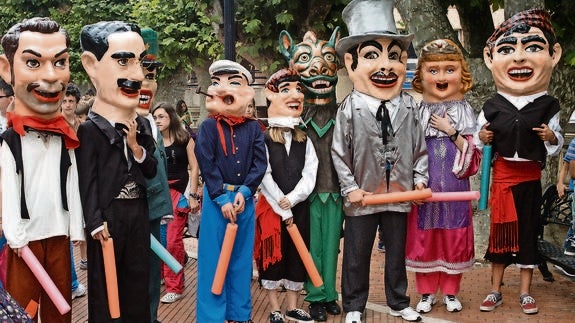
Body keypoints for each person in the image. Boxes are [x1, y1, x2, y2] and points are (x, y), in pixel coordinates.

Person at [331, 1, 428, 322]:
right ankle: (355, 307)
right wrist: (350, 189)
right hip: (362, 197)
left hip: (400, 195)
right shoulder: (348, 108)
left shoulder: (410, 108)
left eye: (395, 56)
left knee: (396, 255)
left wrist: (420, 178)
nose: (386, 66)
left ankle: (399, 302)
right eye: (372, 55)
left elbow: (419, 148)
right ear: (351, 62)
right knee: (356, 255)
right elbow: (339, 153)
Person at [477, 8, 563, 315]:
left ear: (553, 54)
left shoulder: (548, 104)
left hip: (529, 178)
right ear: (491, 58)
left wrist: (551, 137)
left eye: (532, 48)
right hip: (502, 177)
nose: (519, 58)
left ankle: (526, 293)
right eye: (507, 49)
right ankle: (494, 290)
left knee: (527, 234)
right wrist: (483, 139)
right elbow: (480, 137)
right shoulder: (492, 105)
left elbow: (557, 144)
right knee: (499, 236)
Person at [0, 17, 84, 322]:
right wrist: (16, 237)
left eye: (60, 62)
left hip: (59, 232)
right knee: (22, 307)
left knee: (59, 307)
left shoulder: (66, 137)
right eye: (33, 63)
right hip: (25, 240)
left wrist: (76, 227)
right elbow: (9, 187)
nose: (50, 76)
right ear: (7, 69)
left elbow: (71, 181)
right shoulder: (9, 141)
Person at [77, 21, 157, 322]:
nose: (138, 74)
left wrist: (136, 146)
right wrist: (95, 222)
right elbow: (87, 182)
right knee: (105, 287)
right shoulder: (89, 129)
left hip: (138, 212)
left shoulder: (143, 125)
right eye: (123, 61)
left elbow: (150, 170)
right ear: (91, 65)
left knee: (138, 282)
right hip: (108, 219)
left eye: (141, 62)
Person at [405, 39, 480, 314]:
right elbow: (408, 151)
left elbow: (472, 153)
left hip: (454, 188)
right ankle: (425, 294)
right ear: (421, 76)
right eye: (433, 70)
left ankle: (450, 293)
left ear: (462, 76)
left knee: (453, 238)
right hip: (424, 186)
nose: (441, 77)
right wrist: (414, 181)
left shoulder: (465, 111)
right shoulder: (415, 111)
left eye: (449, 69)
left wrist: (451, 131)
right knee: (424, 239)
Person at [279, 25, 344, 322]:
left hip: (336, 191)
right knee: (311, 245)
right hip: (307, 193)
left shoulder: (343, 113)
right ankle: (315, 294)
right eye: (306, 60)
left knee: (332, 247)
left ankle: (329, 292)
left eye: (328, 58)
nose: (319, 67)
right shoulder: (295, 119)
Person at [194, 60, 267, 323]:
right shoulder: (208, 127)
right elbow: (207, 162)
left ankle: (239, 313)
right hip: (217, 203)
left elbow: (260, 163)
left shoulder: (253, 129)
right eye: (217, 82)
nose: (223, 88)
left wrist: (246, 191)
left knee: (240, 261)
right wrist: (221, 197)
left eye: (233, 82)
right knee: (212, 260)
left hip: (243, 203)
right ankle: (212, 317)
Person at [254, 68, 318, 323]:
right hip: (272, 209)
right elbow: (263, 174)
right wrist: (282, 206)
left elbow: (310, 173)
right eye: (286, 89)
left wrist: (292, 200)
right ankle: (274, 308)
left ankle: (292, 306)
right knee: (272, 257)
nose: (296, 95)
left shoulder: (306, 140)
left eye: (299, 89)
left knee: (296, 254)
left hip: (297, 207)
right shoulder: (264, 139)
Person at [136, 27, 173, 323]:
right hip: (129, 215)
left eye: (150, 76)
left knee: (151, 273)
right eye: (140, 74)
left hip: (153, 213)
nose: (145, 84)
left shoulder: (150, 121)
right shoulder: (120, 121)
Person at [152, 102, 200, 304]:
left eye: (161, 116)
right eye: (155, 117)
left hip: (178, 193)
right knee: (159, 241)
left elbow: (195, 166)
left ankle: (175, 286)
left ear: (171, 117)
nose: (157, 120)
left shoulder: (184, 138)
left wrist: (193, 195)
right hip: (156, 194)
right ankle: (164, 277)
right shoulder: (151, 140)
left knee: (172, 241)